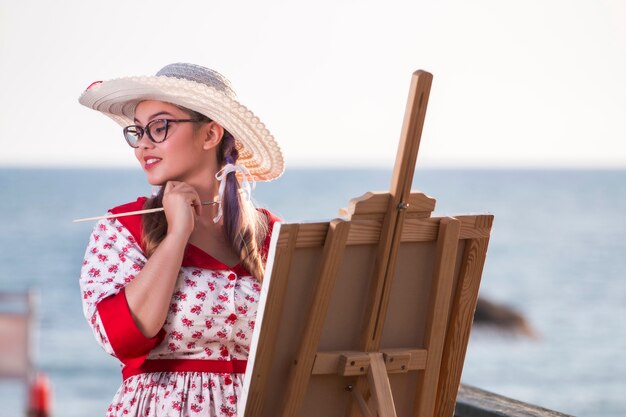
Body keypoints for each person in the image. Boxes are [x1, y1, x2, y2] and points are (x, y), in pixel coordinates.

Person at [78, 63, 284, 417]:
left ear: (210, 135)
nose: (143, 144)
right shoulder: (123, 229)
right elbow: (124, 339)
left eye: (159, 127)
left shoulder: (271, 234)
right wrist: (176, 235)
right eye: (138, 131)